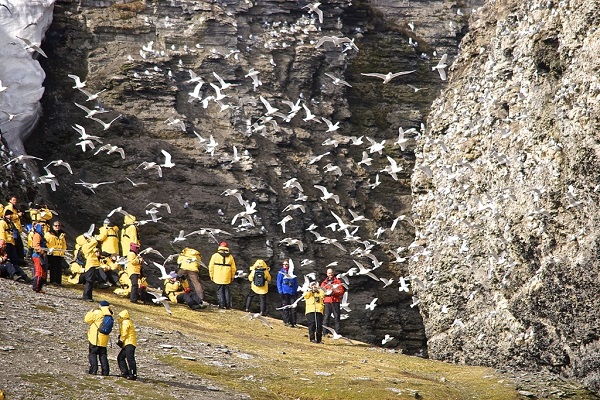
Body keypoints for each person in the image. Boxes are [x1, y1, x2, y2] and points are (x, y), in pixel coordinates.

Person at [84, 300, 113, 376]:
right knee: (103, 355)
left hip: (95, 338)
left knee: (92, 353)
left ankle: (93, 370)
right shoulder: (109, 314)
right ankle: (105, 372)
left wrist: (90, 312)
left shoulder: (98, 313)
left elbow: (87, 319)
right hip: (104, 339)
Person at [208, 242, 236, 309]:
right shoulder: (230, 256)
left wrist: (211, 275)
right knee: (227, 290)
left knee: (219, 290)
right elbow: (233, 268)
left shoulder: (215, 255)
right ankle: (228, 305)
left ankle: (221, 305)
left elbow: (211, 267)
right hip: (227, 276)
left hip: (218, 276)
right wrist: (232, 276)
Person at [321, 268, 345, 335]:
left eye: (331, 273)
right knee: (326, 317)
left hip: (335, 301)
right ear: (327, 274)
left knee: (337, 317)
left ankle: (337, 333)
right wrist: (325, 293)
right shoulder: (324, 283)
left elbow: (341, 291)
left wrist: (333, 293)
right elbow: (321, 291)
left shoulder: (338, 282)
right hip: (327, 301)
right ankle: (325, 333)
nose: (330, 274)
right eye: (329, 273)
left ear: (333, 273)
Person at [276, 259, 298, 327]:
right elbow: (278, 282)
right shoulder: (281, 272)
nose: (285, 265)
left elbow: (295, 283)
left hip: (292, 293)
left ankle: (293, 322)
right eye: (284, 264)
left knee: (293, 308)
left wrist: (295, 291)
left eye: (286, 264)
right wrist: (280, 292)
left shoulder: (292, 273)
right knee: (285, 307)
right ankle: (286, 321)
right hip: (285, 292)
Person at [117, 309, 137, 380]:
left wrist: (121, 340)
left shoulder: (125, 322)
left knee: (130, 359)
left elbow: (124, 333)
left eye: (120, 317)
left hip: (129, 343)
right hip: (129, 343)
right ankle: (125, 373)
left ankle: (133, 374)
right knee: (121, 357)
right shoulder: (127, 322)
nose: (119, 318)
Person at [44, 220, 67, 286]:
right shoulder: (48, 234)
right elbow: (46, 242)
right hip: (52, 253)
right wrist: (48, 249)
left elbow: (64, 244)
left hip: (60, 253)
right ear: (53, 226)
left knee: (59, 268)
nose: (57, 227)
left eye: (59, 225)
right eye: (55, 225)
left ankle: (58, 282)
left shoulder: (62, 234)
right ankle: (53, 281)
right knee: (53, 268)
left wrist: (64, 250)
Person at [81, 236, 101, 302]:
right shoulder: (85, 246)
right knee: (89, 281)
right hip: (90, 265)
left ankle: (89, 296)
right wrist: (92, 238)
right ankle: (86, 296)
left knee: (91, 282)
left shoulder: (89, 247)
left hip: (93, 265)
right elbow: (95, 242)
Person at [31, 221, 48, 293]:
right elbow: (36, 246)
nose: (43, 228)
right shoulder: (37, 235)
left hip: (41, 255)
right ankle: (36, 287)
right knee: (39, 272)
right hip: (38, 256)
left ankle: (39, 287)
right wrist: (42, 251)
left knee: (43, 272)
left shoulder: (41, 235)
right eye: (42, 226)